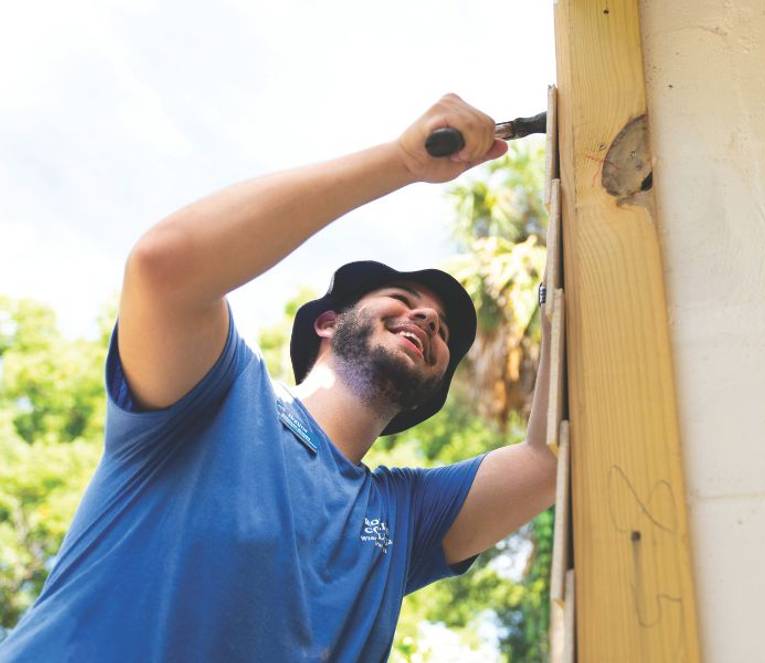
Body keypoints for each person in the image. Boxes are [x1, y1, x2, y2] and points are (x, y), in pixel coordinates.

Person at [0, 94, 558, 662]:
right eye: (402, 298)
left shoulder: (406, 517)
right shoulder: (218, 398)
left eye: (440, 330)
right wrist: (402, 162)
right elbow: (164, 265)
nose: (428, 318)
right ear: (328, 322)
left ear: (433, 387)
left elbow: (550, 457)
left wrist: (563, 281)